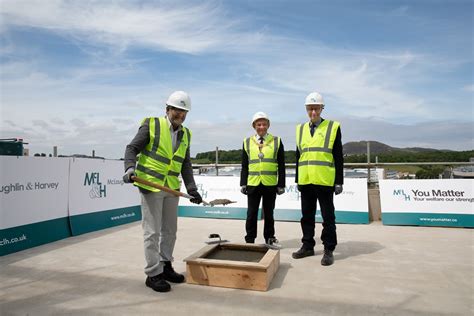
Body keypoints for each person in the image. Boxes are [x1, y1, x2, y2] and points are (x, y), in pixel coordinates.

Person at [123, 91, 203, 292]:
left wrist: (191, 188)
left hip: (171, 188)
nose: (181, 115)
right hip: (150, 185)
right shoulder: (152, 124)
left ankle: (165, 265)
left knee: (170, 231)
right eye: (177, 110)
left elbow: (185, 163)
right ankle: (153, 273)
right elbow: (132, 148)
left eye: (184, 111)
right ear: (168, 109)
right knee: (152, 232)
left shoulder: (186, 134)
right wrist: (129, 168)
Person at [292, 92, 343, 266]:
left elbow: (338, 156)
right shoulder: (300, 129)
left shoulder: (332, 127)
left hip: (324, 180)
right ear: (306, 109)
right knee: (307, 216)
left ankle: (328, 249)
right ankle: (307, 246)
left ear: (322, 108)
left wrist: (339, 181)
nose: (313, 112)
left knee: (328, 217)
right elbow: (298, 156)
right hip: (306, 180)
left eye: (316, 108)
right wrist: (298, 179)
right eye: (310, 108)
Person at [240, 112, 286, 245]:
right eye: (259, 124)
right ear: (254, 126)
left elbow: (281, 165)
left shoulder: (276, 141)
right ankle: (250, 239)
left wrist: (281, 184)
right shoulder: (247, 142)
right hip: (253, 184)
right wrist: (243, 183)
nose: (262, 127)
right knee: (251, 213)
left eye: (264, 124)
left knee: (269, 214)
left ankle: (270, 238)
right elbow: (244, 165)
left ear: (268, 125)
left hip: (270, 184)